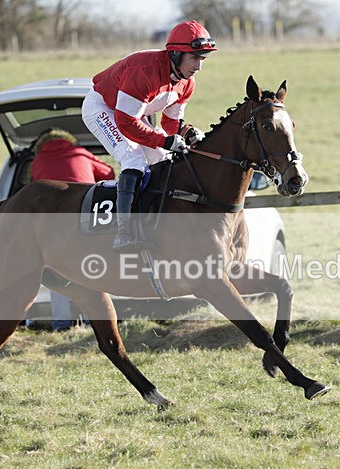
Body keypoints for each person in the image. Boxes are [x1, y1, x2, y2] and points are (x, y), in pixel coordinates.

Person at [82, 20, 216, 251]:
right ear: (175, 54)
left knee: (162, 160)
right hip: (103, 108)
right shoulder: (146, 71)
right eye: (194, 58)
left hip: (132, 114)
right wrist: (164, 139)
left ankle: (156, 221)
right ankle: (123, 233)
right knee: (133, 158)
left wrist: (186, 132)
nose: (198, 67)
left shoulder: (187, 83)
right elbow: (125, 123)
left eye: (202, 59)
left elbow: (170, 122)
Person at [30, 128, 115, 330]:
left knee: (56, 269)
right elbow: (109, 173)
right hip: (84, 217)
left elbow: (37, 189)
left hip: (52, 223)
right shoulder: (81, 153)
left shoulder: (37, 162)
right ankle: (91, 321)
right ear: (69, 141)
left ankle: (61, 322)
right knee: (91, 268)